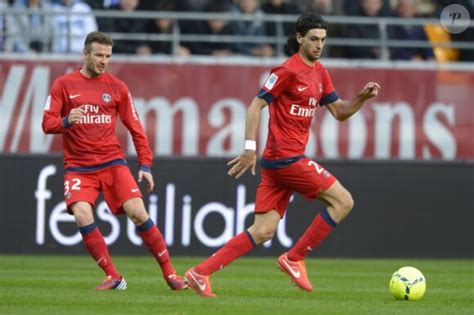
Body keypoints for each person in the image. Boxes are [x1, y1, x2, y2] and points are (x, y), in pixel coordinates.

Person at [185, 12, 380, 298]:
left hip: (280, 164)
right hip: (286, 158)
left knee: (263, 231)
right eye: (313, 39)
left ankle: (199, 273)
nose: (318, 45)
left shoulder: (320, 71)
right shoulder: (286, 71)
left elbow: (339, 112)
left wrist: (361, 97)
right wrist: (249, 149)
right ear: (299, 38)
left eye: (323, 40)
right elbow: (255, 106)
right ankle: (294, 257)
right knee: (343, 201)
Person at [41, 31, 187, 291]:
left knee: (138, 212)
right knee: (82, 214)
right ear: (85, 54)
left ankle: (170, 274)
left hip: (112, 163)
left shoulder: (117, 87)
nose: (103, 61)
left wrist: (145, 165)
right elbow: (47, 123)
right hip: (78, 166)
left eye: (107, 56)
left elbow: (136, 128)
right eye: (98, 55)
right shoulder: (63, 84)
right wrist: (65, 121)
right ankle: (113, 276)